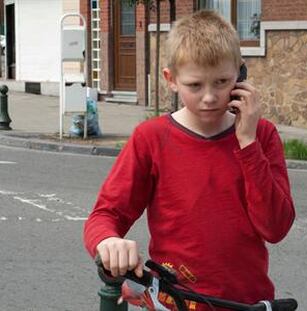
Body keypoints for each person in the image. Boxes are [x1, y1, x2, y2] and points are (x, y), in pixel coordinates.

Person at [84, 10, 295, 310]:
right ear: (171, 79)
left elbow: (275, 228)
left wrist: (247, 142)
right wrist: (107, 242)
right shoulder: (151, 138)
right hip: (176, 302)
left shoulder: (262, 135)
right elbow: (105, 214)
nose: (209, 97)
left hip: (246, 302)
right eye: (195, 85)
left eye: (222, 82)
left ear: (240, 75)